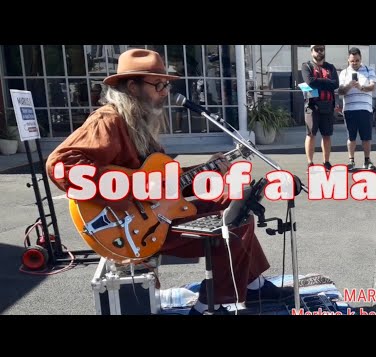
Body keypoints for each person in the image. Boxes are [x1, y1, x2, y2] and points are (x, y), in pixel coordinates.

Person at [45, 49, 292, 315]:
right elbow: (60, 164)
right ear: (132, 86)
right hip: (131, 228)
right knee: (232, 222)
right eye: (158, 84)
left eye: (166, 85)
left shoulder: (137, 124)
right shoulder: (107, 121)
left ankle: (253, 285)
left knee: (235, 205)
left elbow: (162, 182)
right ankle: (210, 305)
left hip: (153, 217)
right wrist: (128, 187)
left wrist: (205, 169)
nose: (165, 91)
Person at [338, 47, 376, 171]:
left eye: (357, 60)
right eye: (352, 61)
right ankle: (351, 161)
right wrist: (349, 86)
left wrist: (361, 87)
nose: (355, 63)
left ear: (361, 59)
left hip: (365, 108)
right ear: (348, 60)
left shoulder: (368, 69)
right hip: (349, 109)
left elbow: (373, 86)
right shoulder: (343, 73)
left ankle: (367, 160)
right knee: (351, 137)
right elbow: (340, 91)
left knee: (366, 137)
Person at [301, 45, 339, 171]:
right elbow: (310, 82)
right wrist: (327, 81)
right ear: (311, 51)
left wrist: (319, 82)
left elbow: (336, 84)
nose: (319, 52)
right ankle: (309, 163)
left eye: (321, 49)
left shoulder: (331, 67)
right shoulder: (306, 66)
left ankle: (326, 162)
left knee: (327, 135)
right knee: (311, 134)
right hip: (312, 106)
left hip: (328, 106)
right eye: (316, 49)